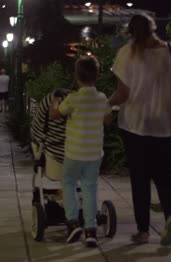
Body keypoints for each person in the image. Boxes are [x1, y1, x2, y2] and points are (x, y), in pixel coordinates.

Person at [108, 13, 171, 246]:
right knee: (165, 176)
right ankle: (170, 218)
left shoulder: (126, 54)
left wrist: (104, 103)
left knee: (140, 181)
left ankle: (143, 231)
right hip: (166, 125)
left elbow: (123, 94)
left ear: (131, 32)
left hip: (135, 126)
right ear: (154, 28)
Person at [49, 55, 112, 248]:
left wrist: (54, 104)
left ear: (76, 77)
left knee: (68, 184)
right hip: (94, 153)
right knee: (90, 188)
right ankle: (91, 231)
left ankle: (73, 222)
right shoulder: (101, 98)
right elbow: (108, 120)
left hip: (74, 153)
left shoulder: (73, 99)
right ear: (98, 76)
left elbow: (55, 115)